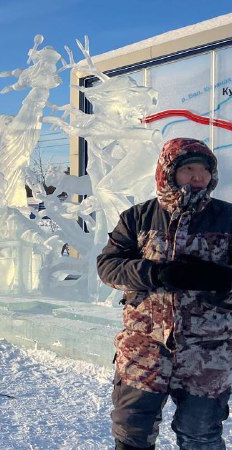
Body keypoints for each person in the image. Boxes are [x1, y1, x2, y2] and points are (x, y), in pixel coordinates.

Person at [97, 138, 232, 450]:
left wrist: (220, 279)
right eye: (188, 169)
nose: (198, 177)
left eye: (204, 170)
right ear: (167, 172)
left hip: (208, 352)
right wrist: (155, 273)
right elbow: (108, 266)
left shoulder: (227, 218)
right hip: (143, 347)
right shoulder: (137, 218)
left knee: (201, 435)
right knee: (132, 433)